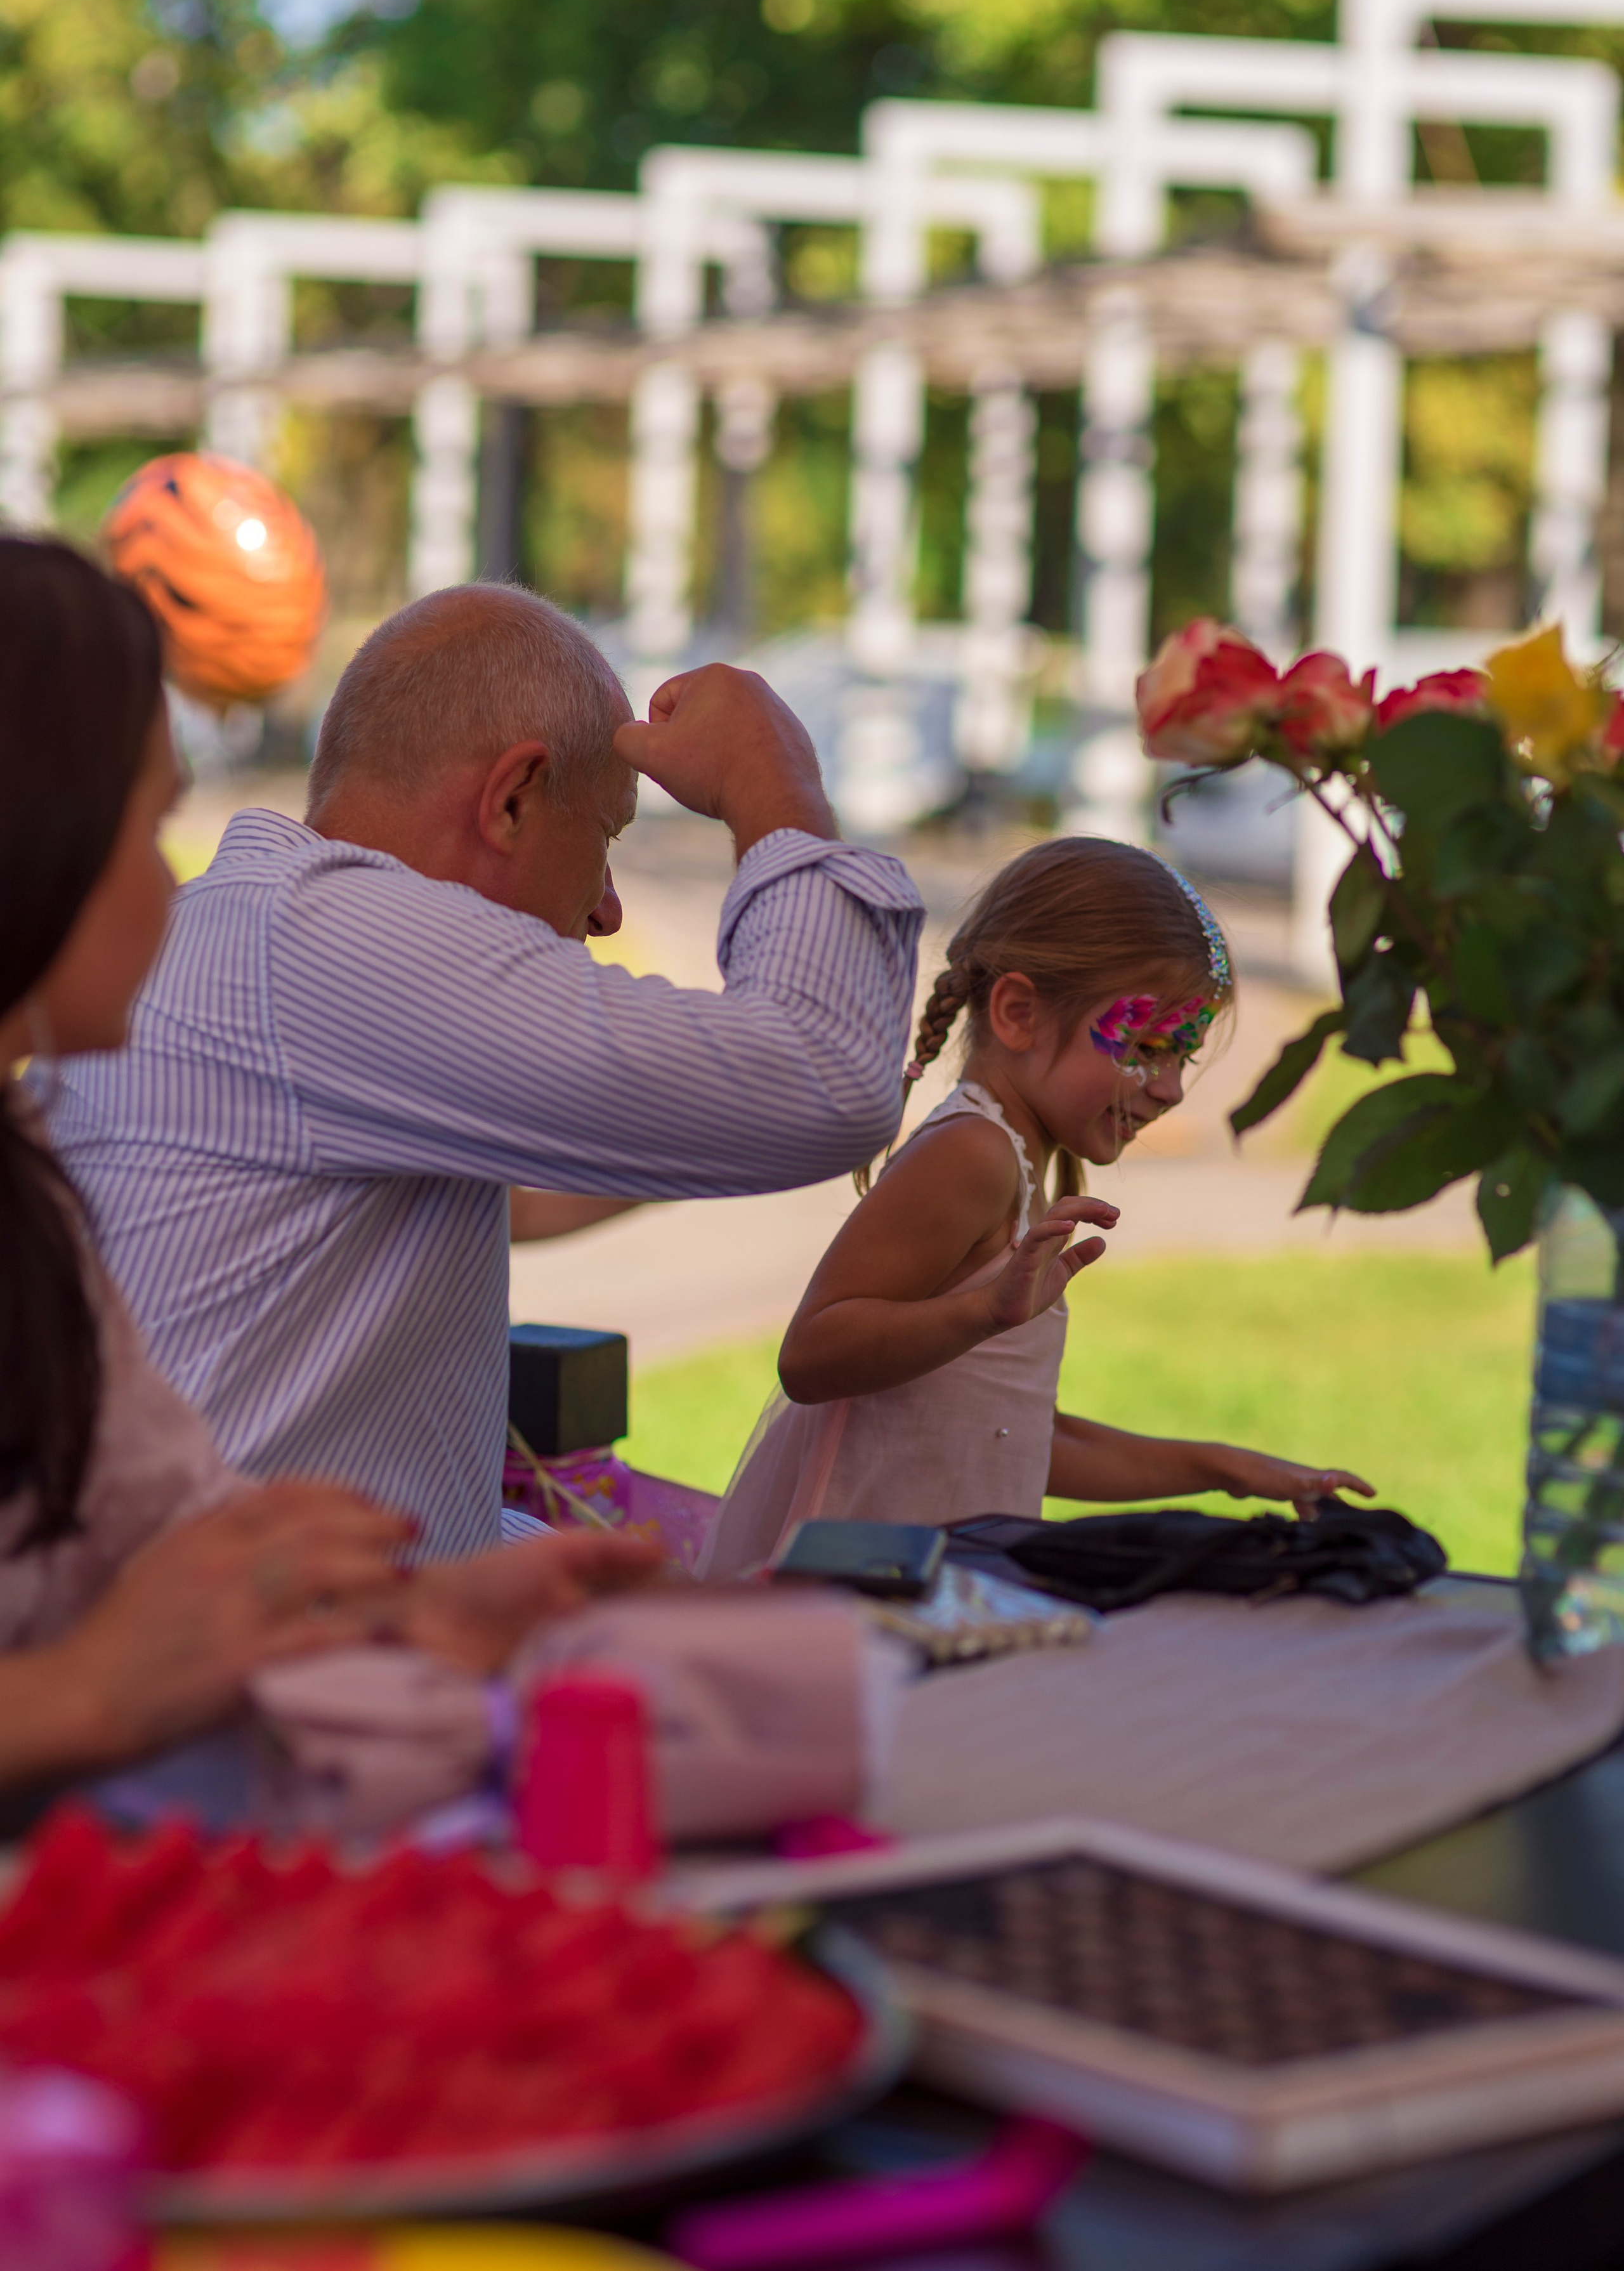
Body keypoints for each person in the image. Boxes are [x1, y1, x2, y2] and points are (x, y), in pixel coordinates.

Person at [50, 581, 924, 1558]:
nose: (606, 910)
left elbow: (505, 1207)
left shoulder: (274, 934)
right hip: (234, 1683)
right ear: (512, 798)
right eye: (605, 837)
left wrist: (521, 1551)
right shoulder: (338, 938)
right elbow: (825, 1075)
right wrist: (779, 792)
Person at [0, 539, 660, 1797]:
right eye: (149, 826)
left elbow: (181, 1514)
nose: (170, 879)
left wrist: (427, 1611)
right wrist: (80, 1694)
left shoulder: (24, 1175)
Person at [700, 838, 1374, 1580]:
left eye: (1184, 1054)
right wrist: (983, 1312)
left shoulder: (1019, 1159)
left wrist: (1220, 1466)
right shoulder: (974, 1156)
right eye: (1146, 1045)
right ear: (1018, 1012)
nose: (1172, 1087)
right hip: (868, 1591)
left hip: (928, 1584)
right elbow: (811, 1356)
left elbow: (1015, 1435)